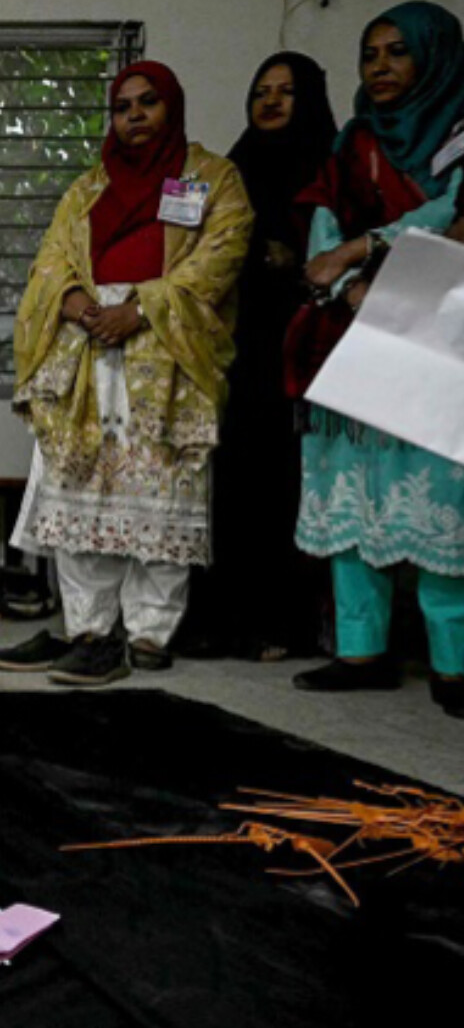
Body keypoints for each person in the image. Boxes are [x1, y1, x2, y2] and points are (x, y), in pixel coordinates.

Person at [0, 62, 252, 686]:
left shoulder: (213, 179)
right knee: (78, 484)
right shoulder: (89, 187)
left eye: (147, 103)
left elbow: (223, 253)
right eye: (122, 106)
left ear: (172, 107)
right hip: (86, 351)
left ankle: (150, 633)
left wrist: (141, 309)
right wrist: (80, 306)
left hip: (166, 350)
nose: (134, 116)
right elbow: (52, 261)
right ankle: (88, 629)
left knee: (162, 488)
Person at [289, 3, 464, 719]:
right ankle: (360, 651)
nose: (381, 66)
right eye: (370, 54)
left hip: (436, 331)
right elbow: (322, 228)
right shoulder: (351, 142)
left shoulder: (459, 137)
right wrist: (345, 284)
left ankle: (454, 661)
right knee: (352, 489)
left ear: (436, 57)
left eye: (398, 51)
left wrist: (365, 252)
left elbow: (450, 217)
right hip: (353, 329)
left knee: (439, 500)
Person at [184, 52, 339, 662]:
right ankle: (220, 619)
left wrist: (297, 262)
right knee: (231, 484)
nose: (270, 101)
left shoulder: (332, 166)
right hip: (234, 347)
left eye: (286, 91)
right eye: (261, 91)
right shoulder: (229, 170)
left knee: (285, 484)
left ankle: (281, 623)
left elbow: (340, 247)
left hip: (303, 349)